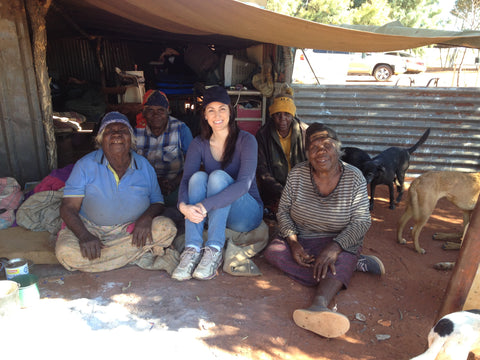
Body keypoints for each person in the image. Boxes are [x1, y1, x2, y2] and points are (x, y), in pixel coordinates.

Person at [263, 123, 384, 338]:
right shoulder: (297, 174)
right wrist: (292, 242)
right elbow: (283, 212)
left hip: (339, 239)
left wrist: (335, 247)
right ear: (307, 153)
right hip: (303, 236)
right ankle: (346, 269)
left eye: (327, 145)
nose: (320, 151)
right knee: (272, 253)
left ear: (338, 149)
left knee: (342, 255)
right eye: (314, 147)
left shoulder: (354, 177)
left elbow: (362, 221)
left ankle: (318, 305)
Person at [56, 111, 178, 273]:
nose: (116, 135)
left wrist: (146, 218)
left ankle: (102, 260)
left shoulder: (143, 165)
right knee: (65, 252)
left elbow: (158, 201)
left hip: (133, 231)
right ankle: (135, 254)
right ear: (100, 139)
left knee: (166, 228)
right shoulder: (85, 165)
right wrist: (84, 236)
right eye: (109, 131)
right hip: (92, 230)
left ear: (131, 139)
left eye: (123, 130)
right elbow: (68, 207)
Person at [171, 86, 264, 281]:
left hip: (246, 214)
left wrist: (204, 206)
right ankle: (193, 248)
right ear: (204, 115)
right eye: (211, 110)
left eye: (222, 108)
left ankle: (213, 249)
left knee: (218, 177)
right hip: (218, 214)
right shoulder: (199, 143)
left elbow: (243, 185)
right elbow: (187, 179)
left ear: (231, 110)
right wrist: (183, 207)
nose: (217, 115)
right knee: (198, 178)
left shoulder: (247, 140)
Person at [135, 90, 193, 207]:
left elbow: (193, 164)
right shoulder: (136, 132)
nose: (156, 115)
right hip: (145, 186)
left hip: (175, 184)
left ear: (168, 112)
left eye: (160, 110)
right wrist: (154, 183)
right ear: (144, 112)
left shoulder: (181, 129)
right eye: (150, 110)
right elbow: (129, 166)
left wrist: (174, 183)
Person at [255, 86, 308, 215]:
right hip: (275, 190)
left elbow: (313, 164)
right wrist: (281, 191)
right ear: (272, 115)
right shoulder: (263, 134)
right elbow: (262, 169)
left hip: (301, 188)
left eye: (287, 114)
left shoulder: (305, 132)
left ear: (293, 115)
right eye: (278, 114)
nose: (282, 119)